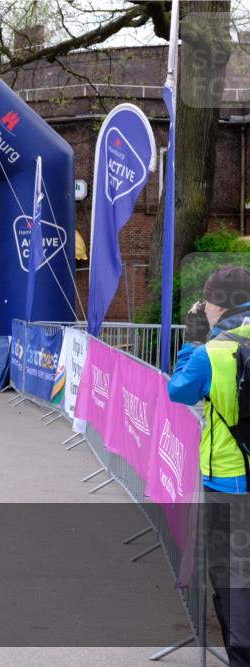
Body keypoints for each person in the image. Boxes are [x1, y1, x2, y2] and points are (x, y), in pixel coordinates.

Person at [168, 266, 250, 667]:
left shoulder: (212, 353)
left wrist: (193, 338)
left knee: (233, 578)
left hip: (230, 481)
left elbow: (178, 390)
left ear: (216, 303)